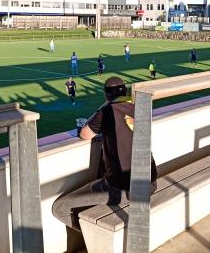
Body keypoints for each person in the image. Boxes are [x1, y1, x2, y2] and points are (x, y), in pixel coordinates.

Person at [52, 76, 158, 230]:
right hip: (149, 183)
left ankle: (90, 238)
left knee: (59, 208)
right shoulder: (140, 107)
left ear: (106, 95)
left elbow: (85, 134)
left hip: (122, 188)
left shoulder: (106, 112)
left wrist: (104, 105)